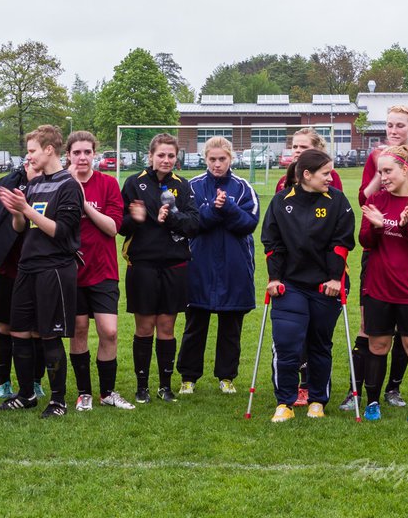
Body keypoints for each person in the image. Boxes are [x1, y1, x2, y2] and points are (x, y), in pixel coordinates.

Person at [347, 106, 408, 412]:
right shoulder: (375, 191)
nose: (394, 129)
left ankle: (404, 395)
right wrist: (375, 222)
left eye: (400, 125)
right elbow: (365, 231)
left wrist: (396, 225)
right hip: (379, 277)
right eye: (389, 124)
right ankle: (363, 396)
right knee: (373, 338)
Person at [0, 125, 83, 417]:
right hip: (27, 267)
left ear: (48, 150)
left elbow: (62, 231)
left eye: (32, 150)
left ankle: (58, 400)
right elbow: (22, 229)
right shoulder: (33, 184)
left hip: (54, 269)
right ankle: (26, 394)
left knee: (49, 334)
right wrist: (18, 212)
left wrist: (28, 210)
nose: (28, 156)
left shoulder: (69, 185)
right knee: (19, 331)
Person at [260, 149, 355, 422]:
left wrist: (336, 278)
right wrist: (275, 278)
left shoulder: (337, 200)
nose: (330, 177)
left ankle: (317, 400)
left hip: (326, 285)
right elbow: (272, 243)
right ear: (306, 175)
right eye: (325, 173)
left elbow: (341, 242)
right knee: (287, 344)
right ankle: (284, 403)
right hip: (290, 285)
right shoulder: (281, 201)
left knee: (319, 344)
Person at [119, 133, 201, 402]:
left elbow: (194, 224)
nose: (166, 160)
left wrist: (172, 217)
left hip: (175, 265)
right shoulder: (134, 183)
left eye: (170, 155)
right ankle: (142, 387)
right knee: (144, 328)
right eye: (161, 155)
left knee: (166, 327)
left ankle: (165, 386)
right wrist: (135, 218)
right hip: (142, 264)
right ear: (151, 156)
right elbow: (120, 226)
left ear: (176, 158)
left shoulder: (184, 185)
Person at [178, 136, 258, 396]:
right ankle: (188, 378)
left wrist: (229, 207)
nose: (217, 164)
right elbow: (192, 223)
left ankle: (227, 377)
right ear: (205, 159)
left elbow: (249, 223)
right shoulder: (193, 186)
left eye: (222, 159)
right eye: (212, 159)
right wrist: (214, 208)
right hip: (199, 267)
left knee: (230, 328)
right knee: (195, 326)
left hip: (235, 268)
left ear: (230, 159)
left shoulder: (244, 187)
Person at [65, 130, 132, 411]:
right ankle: (84, 393)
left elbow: (113, 227)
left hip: (103, 270)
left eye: (87, 152)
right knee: (78, 330)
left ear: (95, 154)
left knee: (109, 331)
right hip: (71, 271)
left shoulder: (108, 184)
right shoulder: (60, 184)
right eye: (76, 152)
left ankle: (107, 392)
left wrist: (85, 207)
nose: (82, 157)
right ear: (68, 155)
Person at [0, 158, 45, 403]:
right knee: (4, 326)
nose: (38, 170)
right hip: (8, 267)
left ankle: (35, 381)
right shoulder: (10, 186)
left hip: (38, 268)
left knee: (37, 330)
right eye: (33, 165)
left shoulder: (53, 187)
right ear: (25, 166)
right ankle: (4, 382)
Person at [276, 128, 341, 405]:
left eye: (303, 147)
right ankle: (289, 392)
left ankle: (313, 390)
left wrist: (335, 275)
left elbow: (338, 236)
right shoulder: (284, 187)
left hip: (322, 278)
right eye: (294, 146)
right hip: (292, 279)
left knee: (317, 340)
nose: (297, 151)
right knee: (289, 338)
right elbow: (275, 236)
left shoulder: (330, 185)